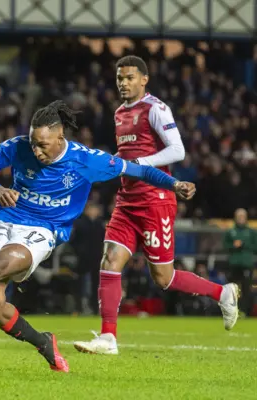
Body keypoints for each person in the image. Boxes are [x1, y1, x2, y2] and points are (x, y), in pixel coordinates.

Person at [0, 100, 196, 373]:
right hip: (5, 219)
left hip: (45, 229)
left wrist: (174, 184)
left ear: (60, 137)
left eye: (43, 145)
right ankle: (44, 342)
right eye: (33, 143)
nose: (36, 151)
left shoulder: (86, 160)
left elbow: (139, 170)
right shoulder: (18, 146)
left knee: (8, 258)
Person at [74, 56, 239, 356]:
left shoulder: (156, 109)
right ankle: (108, 338)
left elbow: (177, 150)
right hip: (127, 201)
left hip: (155, 201)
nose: (123, 83)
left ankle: (222, 292)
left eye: (130, 77)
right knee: (110, 260)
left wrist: (140, 163)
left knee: (164, 278)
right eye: (120, 78)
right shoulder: (118, 113)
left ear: (144, 79)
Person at [223, 208, 255, 317]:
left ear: (246, 218)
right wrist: (233, 246)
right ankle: (231, 311)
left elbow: (255, 247)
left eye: (243, 216)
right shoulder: (230, 231)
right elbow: (225, 246)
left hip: (247, 263)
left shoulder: (251, 232)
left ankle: (245, 311)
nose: (241, 218)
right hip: (234, 264)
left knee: (246, 289)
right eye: (239, 216)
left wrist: (244, 245)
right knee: (232, 289)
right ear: (235, 218)